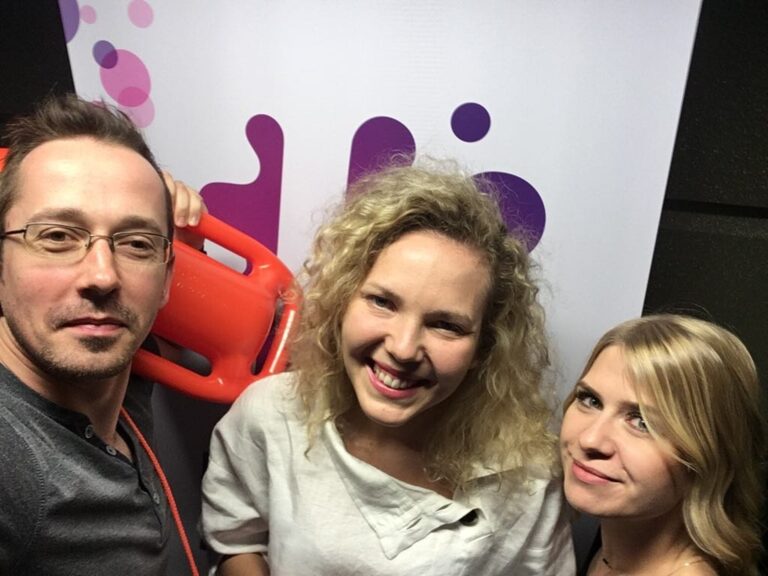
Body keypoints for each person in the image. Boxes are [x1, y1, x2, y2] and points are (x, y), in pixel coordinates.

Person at [201, 162, 575, 575]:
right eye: (382, 302)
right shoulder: (271, 413)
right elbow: (237, 540)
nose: (403, 348)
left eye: (445, 325)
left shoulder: (525, 478)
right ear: (343, 300)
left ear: (484, 346)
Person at [0, 93, 206, 574]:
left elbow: (165, 343)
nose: (102, 276)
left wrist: (173, 223)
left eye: (136, 243)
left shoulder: (116, 370)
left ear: (166, 279)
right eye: (57, 236)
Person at [560, 314, 767, 576]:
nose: (590, 439)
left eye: (642, 422)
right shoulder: (615, 551)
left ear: (707, 457)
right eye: (590, 400)